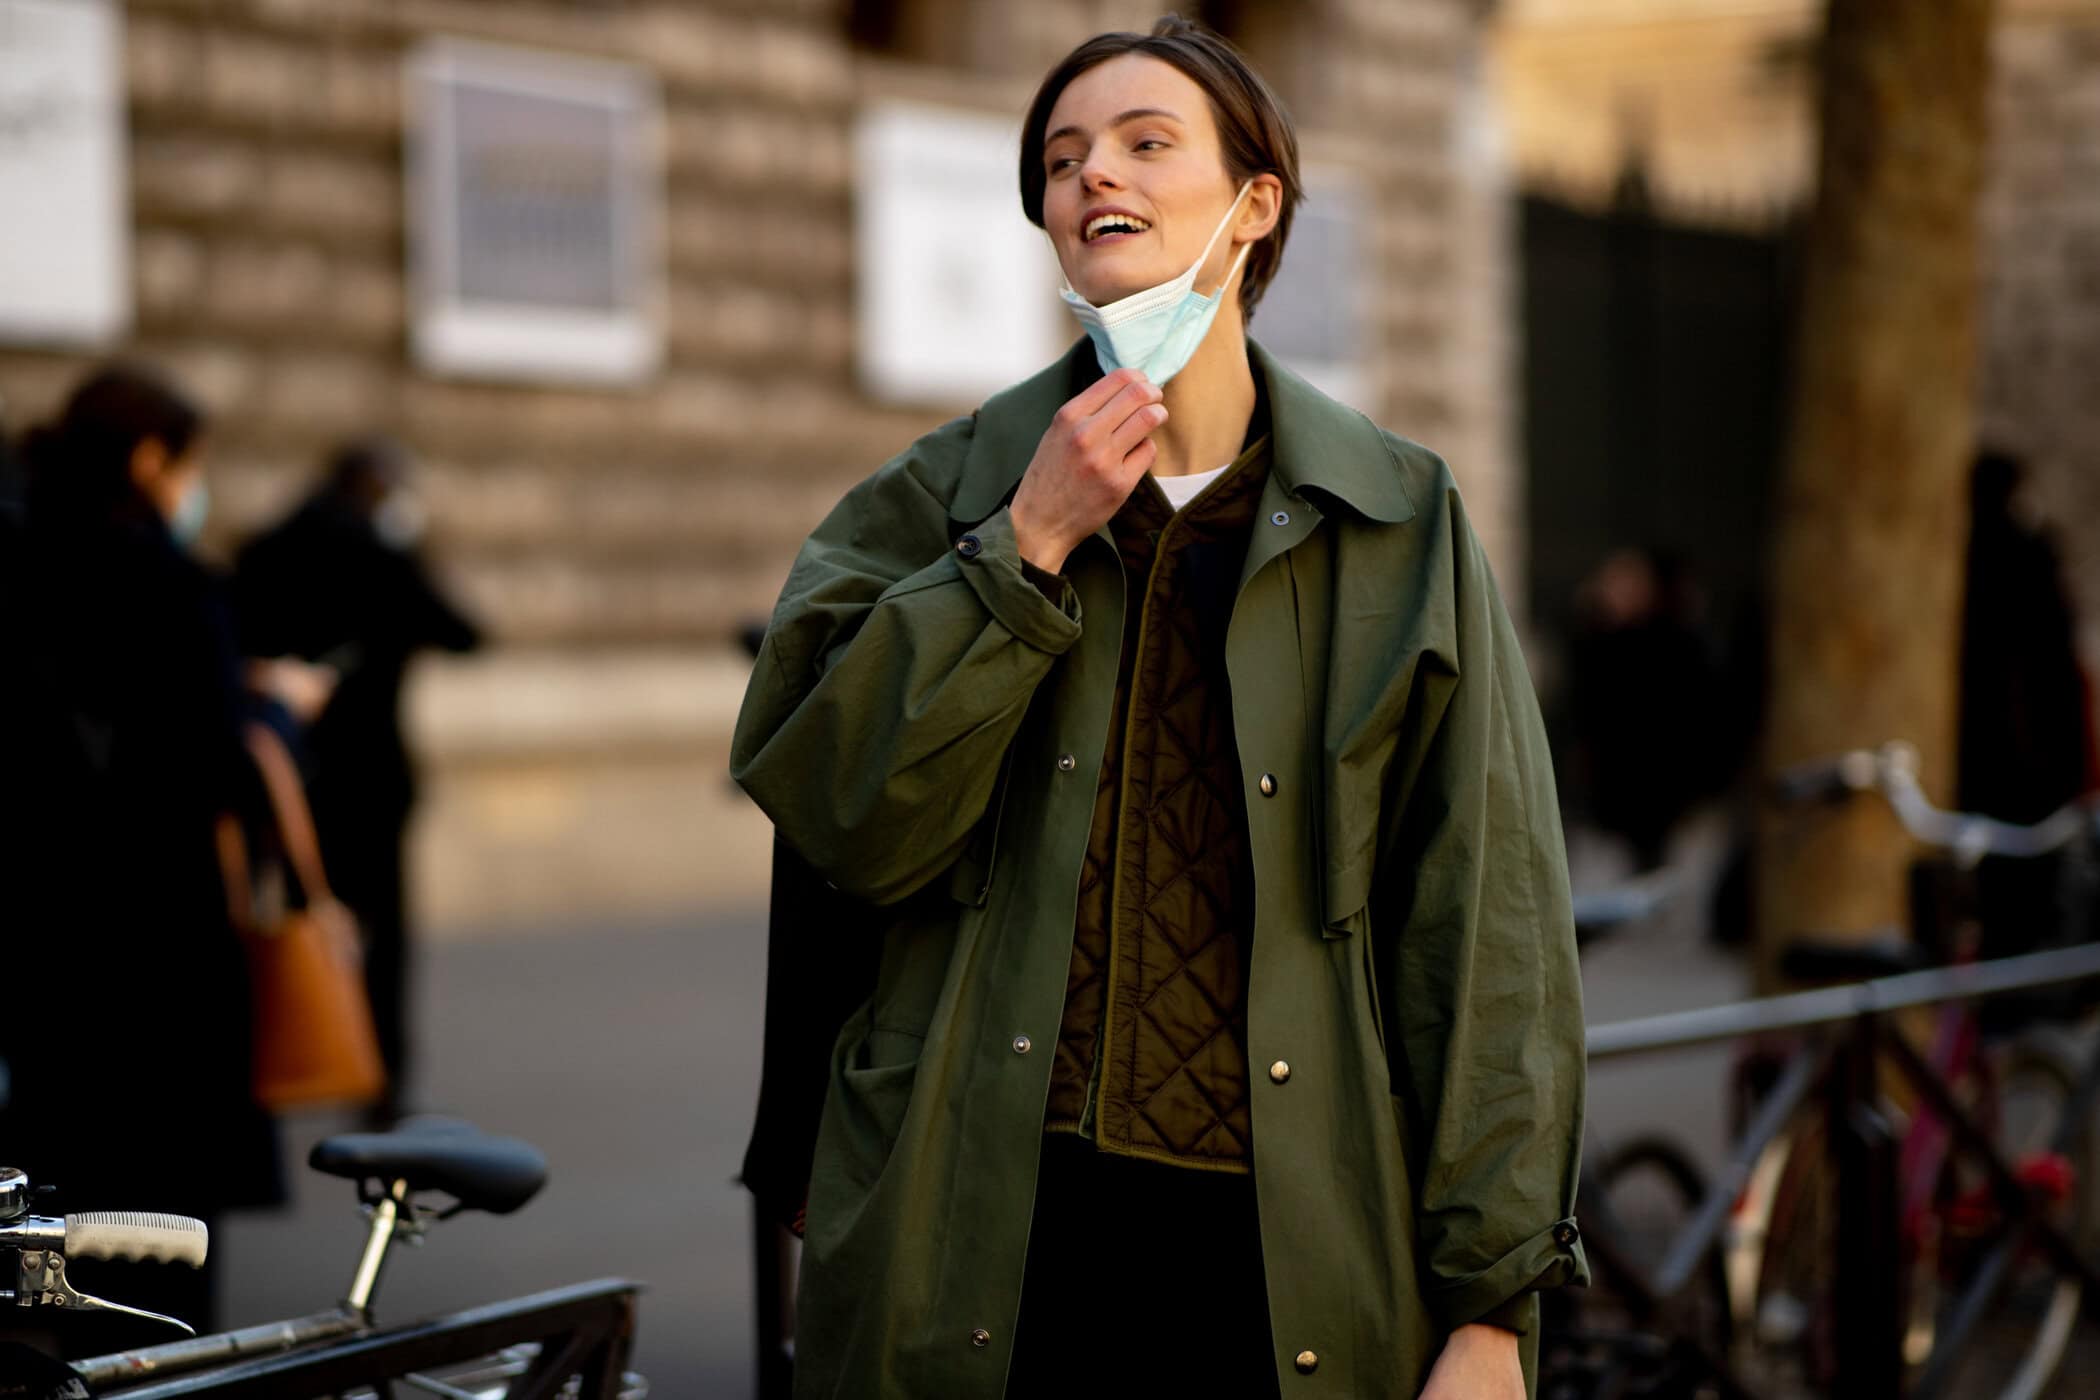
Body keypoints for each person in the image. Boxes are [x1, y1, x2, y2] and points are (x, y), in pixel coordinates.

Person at [732, 17, 1588, 1399]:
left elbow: (1487, 928)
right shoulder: (940, 496)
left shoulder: (1398, 520)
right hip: (986, 1237)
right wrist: (1023, 552)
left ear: (1255, 204)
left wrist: (1494, 1304)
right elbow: (834, 815)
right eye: (1062, 160)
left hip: (1282, 1251)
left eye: (1143, 142)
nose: (1090, 178)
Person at [2, 363, 283, 1338]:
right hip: (156, 945)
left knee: (52, 1188)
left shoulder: (19, 557)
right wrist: (275, 717)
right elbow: (211, 763)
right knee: (159, 1225)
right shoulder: (169, 584)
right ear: (149, 459)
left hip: (39, 934)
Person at [233, 437, 482, 1124]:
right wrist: (417, 552)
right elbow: (466, 631)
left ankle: (276, 1066)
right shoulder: (384, 556)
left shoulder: (268, 548)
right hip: (371, 781)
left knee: (280, 924)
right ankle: (380, 1082)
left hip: (283, 776)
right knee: (384, 943)